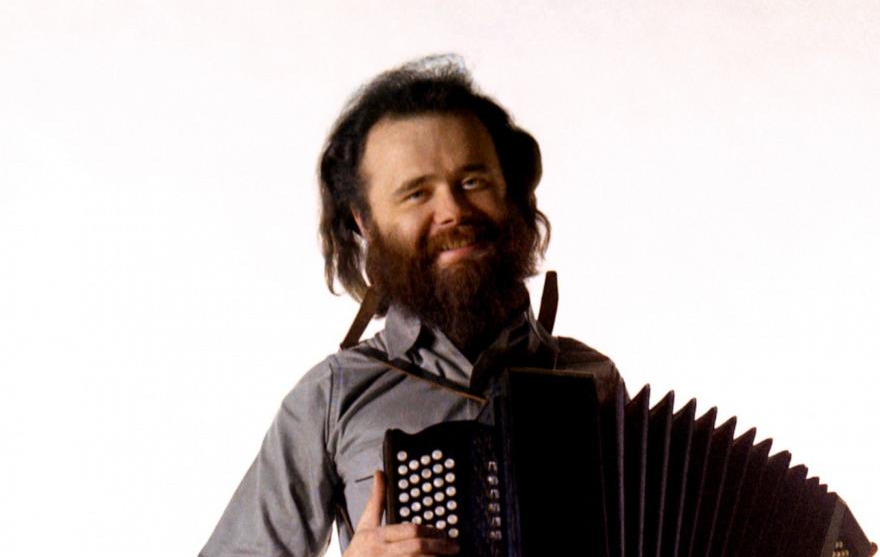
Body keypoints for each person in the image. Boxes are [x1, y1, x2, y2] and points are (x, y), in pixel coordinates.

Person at [200, 55, 620, 557]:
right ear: (364, 222)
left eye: (472, 181)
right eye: (416, 193)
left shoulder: (589, 377)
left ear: (510, 193)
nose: (452, 211)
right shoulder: (332, 396)